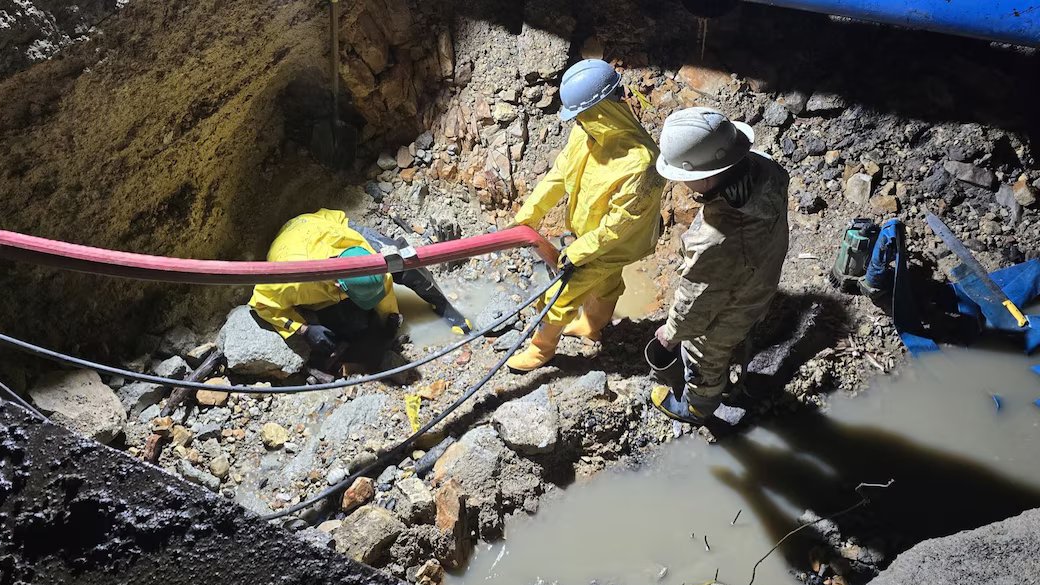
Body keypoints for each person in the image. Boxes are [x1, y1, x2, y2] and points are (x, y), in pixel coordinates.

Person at [507, 59, 666, 372]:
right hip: (591, 237)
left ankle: (542, 350)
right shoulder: (586, 133)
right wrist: (530, 215)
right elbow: (559, 173)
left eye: (581, 114)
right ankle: (592, 326)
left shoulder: (641, 163)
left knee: (558, 296)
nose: (576, 121)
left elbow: (616, 229)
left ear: (600, 110)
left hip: (612, 244)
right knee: (606, 283)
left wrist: (576, 252)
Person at [649, 106, 790, 422]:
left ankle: (699, 406)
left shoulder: (716, 239)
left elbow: (698, 300)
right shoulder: (764, 168)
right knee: (742, 327)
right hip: (763, 277)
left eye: (686, 177)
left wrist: (672, 333)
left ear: (707, 176)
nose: (683, 184)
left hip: (734, 303)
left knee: (703, 354)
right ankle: (740, 363)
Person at [249, 209, 469, 360]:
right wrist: (303, 329)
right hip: (294, 242)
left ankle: (443, 305)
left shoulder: (360, 247)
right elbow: (261, 304)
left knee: (406, 264)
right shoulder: (291, 282)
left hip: (331, 225)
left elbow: (384, 283)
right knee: (354, 328)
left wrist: (391, 318)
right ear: (337, 285)